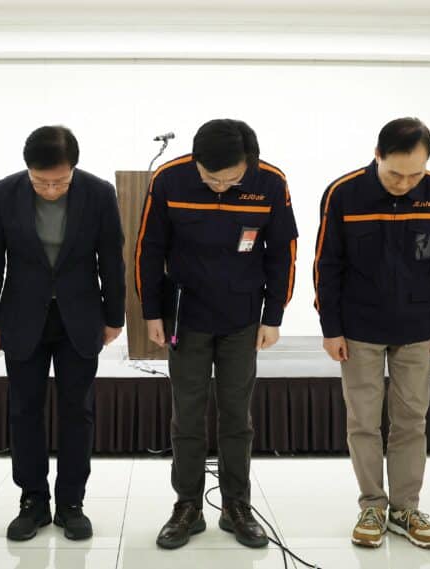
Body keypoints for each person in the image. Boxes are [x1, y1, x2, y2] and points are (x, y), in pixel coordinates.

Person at [136, 118, 297, 549]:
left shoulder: (271, 183)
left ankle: (236, 505)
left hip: (242, 318)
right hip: (185, 317)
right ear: (196, 162)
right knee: (186, 415)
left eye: (230, 180)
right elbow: (148, 248)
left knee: (236, 417)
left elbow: (282, 251)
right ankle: (187, 506)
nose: (220, 186)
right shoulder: (170, 179)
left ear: (250, 163)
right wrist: (151, 312)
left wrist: (274, 315)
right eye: (210, 178)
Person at [314, 117, 430, 549]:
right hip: (358, 329)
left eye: (415, 173)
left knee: (411, 420)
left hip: (417, 326)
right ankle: (372, 506)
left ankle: (406, 508)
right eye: (396, 173)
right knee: (362, 420)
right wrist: (331, 328)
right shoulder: (344, 193)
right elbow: (327, 265)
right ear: (377, 155)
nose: (405, 183)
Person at [0, 125, 125, 541]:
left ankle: (71, 501)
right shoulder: (3, 193)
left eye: (59, 181)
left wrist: (114, 317)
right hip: (22, 317)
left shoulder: (97, 193)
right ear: (28, 170)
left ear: (73, 168)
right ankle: (32, 500)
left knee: (78, 410)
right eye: (41, 180)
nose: (50, 188)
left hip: (79, 317)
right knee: (24, 409)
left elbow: (111, 258)